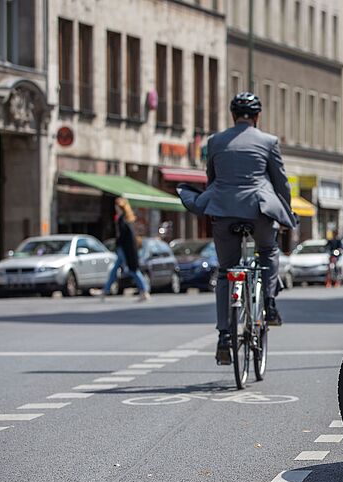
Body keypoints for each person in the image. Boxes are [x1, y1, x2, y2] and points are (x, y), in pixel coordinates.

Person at [178, 92, 297, 365]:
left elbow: (212, 178)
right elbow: (280, 183)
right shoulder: (268, 141)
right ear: (257, 117)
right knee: (268, 250)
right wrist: (286, 211)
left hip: (223, 209)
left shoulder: (215, 141)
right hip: (258, 208)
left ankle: (224, 337)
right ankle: (269, 303)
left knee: (225, 271)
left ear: (232, 116)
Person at [102, 198, 151, 302]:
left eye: (117, 206)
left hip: (125, 249)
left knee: (132, 270)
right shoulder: (126, 219)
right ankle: (106, 290)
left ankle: (144, 290)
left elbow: (123, 237)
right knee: (116, 269)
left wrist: (117, 244)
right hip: (125, 249)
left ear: (120, 208)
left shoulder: (123, 220)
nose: (115, 208)